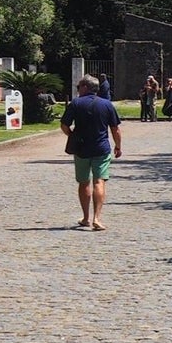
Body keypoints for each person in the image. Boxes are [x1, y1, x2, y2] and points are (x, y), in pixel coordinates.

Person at [60, 74, 122, 231]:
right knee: (99, 181)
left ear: (85, 87)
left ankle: (86, 217)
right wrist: (118, 146)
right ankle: (97, 218)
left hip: (81, 149)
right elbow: (115, 129)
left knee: (84, 182)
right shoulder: (107, 105)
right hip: (101, 148)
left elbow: (64, 125)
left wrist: (71, 135)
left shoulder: (76, 103)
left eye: (79, 86)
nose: (78, 89)